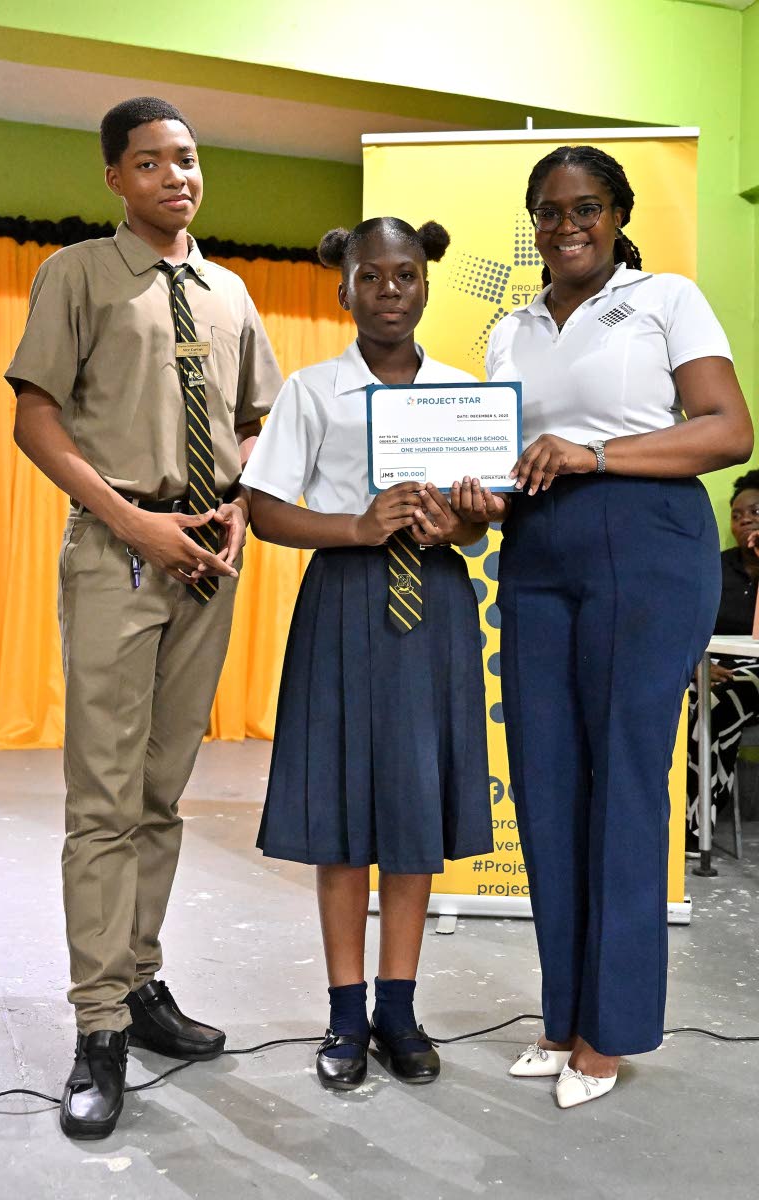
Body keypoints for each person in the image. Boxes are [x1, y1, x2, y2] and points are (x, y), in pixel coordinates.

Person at [5, 96, 282, 1139]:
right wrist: (132, 520)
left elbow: (257, 421)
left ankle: (142, 982)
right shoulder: (78, 274)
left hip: (207, 558)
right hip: (116, 552)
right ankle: (97, 1027)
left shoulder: (229, 290)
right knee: (103, 800)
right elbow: (35, 415)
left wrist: (236, 502)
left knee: (164, 791)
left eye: (190, 159)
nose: (178, 177)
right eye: (154, 163)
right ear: (115, 178)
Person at [456, 145, 752, 1108]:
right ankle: (561, 1014)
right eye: (548, 211)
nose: (566, 225)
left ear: (618, 215)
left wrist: (594, 452)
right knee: (545, 781)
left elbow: (726, 431)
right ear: (531, 223)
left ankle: (610, 1032)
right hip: (537, 553)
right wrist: (474, 494)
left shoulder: (667, 299)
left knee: (623, 780)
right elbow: (509, 459)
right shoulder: (509, 330)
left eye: (586, 208)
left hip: (645, 538)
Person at [241, 216, 494, 1091]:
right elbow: (268, 508)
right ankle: (346, 1014)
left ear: (428, 284)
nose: (391, 291)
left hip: (437, 608)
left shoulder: (466, 393)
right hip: (346, 604)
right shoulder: (312, 392)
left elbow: (488, 518)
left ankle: (398, 1008)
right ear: (343, 288)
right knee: (345, 817)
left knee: (414, 812)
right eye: (372, 277)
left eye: (408, 275)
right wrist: (355, 524)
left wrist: (468, 518)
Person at [686, 470, 759, 846]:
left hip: (754, 673)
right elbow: (691, 623)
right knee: (693, 701)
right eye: (737, 514)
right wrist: (698, 666)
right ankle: (691, 821)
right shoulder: (715, 567)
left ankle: (698, 824)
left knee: (717, 703)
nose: (744, 519)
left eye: (755, 512)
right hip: (720, 665)